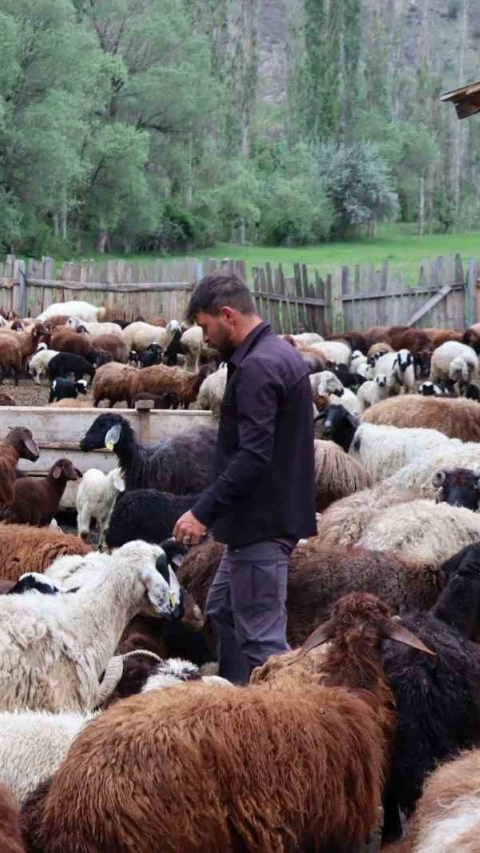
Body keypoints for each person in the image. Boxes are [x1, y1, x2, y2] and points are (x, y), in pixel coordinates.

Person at [171, 272, 316, 684]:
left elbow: (254, 455)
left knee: (264, 642)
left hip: (261, 526)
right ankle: (239, 703)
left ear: (227, 315)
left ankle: (291, 722)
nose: (204, 337)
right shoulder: (278, 355)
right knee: (223, 613)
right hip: (263, 521)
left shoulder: (257, 367)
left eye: (204, 326)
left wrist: (202, 511)